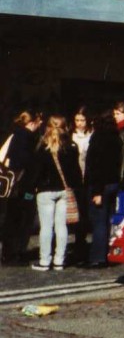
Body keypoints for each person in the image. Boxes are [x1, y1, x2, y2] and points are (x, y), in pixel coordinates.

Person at [27, 114, 83, 270]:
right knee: (61, 226)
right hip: (64, 190)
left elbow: (35, 172)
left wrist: (30, 190)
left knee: (46, 227)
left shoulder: (42, 146)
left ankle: (45, 261)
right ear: (66, 127)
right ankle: (59, 260)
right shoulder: (71, 146)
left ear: (48, 127)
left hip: (45, 191)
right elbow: (75, 172)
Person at [1, 111, 43, 264]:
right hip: (24, 185)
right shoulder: (27, 137)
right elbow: (27, 162)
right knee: (23, 218)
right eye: (39, 121)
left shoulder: (16, 134)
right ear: (33, 122)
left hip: (15, 185)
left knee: (12, 218)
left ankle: (9, 252)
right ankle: (16, 252)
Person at [84, 109, 122, 268]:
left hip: (101, 185)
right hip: (114, 183)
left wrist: (97, 191)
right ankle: (110, 252)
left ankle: (98, 257)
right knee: (110, 220)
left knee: (99, 222)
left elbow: (96, 166)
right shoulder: (117, 138)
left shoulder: (98, 137)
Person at [69, 108, 94, 265]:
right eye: (77, 120)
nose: (79, 123)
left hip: (87, 177)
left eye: (82, 120)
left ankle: (81, 239)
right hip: (75, 178)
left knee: (85, 211)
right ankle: (78, 239)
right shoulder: (70, 136)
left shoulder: (92, 135)